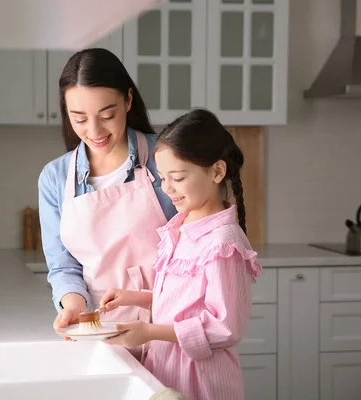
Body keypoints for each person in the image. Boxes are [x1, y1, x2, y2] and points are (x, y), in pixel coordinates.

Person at [100, 108, 262, 400]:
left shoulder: (222, 244)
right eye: (162, 178)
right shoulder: (180, 228)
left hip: (201, 379)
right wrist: (134, 297)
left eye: (177, 177)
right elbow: (186, 300)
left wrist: (150, 332)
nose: (168, 188)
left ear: (217, 171)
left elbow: (225, 327)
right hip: (167, 368)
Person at [37, 48, 177, 338]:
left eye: (107, 114)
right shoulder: (55, 178)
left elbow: (197, 245)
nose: (94, 130)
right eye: (79, 118)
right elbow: (63, 267)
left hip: (168, 320)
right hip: (100, 328)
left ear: (128, 100)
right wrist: (73, 305)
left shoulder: (165, 157)